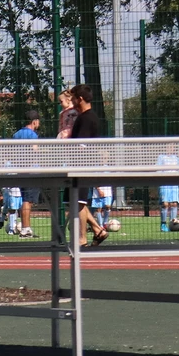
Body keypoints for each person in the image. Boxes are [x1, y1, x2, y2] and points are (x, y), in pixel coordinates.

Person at [66, 85, 108, 246]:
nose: (72, 101)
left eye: (73, 98)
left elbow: (81, 146)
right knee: (76, 202)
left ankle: (82, 238)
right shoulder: (86, 117)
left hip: (82, 165)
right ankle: (98, 230)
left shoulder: (86, 118)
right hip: (81, 165)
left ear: (80, 99)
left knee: (79, 202)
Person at [12, 111, 40, 237]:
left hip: (20, 171)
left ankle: (25, 228)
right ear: (34, 121)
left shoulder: (16, 134)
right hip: (31, 171)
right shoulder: (32, 135)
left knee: (25, 199)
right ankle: (26, 229)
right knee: (28, 201)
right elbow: (34, 151)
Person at [157, 146, 179, 233]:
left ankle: (173, 224)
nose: (170, 149)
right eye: (168, 147)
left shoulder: (176, 158)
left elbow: (178, 171)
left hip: (174, 183)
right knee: (165, 204)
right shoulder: (161, 157)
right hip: (165, 182)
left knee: (174, 204)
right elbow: (158, 170)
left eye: (172, 147)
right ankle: (163, 224)